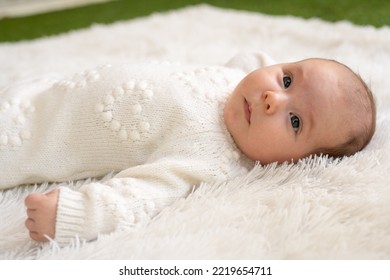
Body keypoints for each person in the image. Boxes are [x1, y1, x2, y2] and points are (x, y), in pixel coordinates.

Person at [0, 52, 375, 246]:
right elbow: (253, 61)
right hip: (45, 91)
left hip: (25, 140)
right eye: (287, 78)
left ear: (295, 162)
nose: (271, 98)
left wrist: (73, 216)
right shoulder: (238, 81)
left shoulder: (209, 157)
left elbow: (140, 196)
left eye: (295, 122)